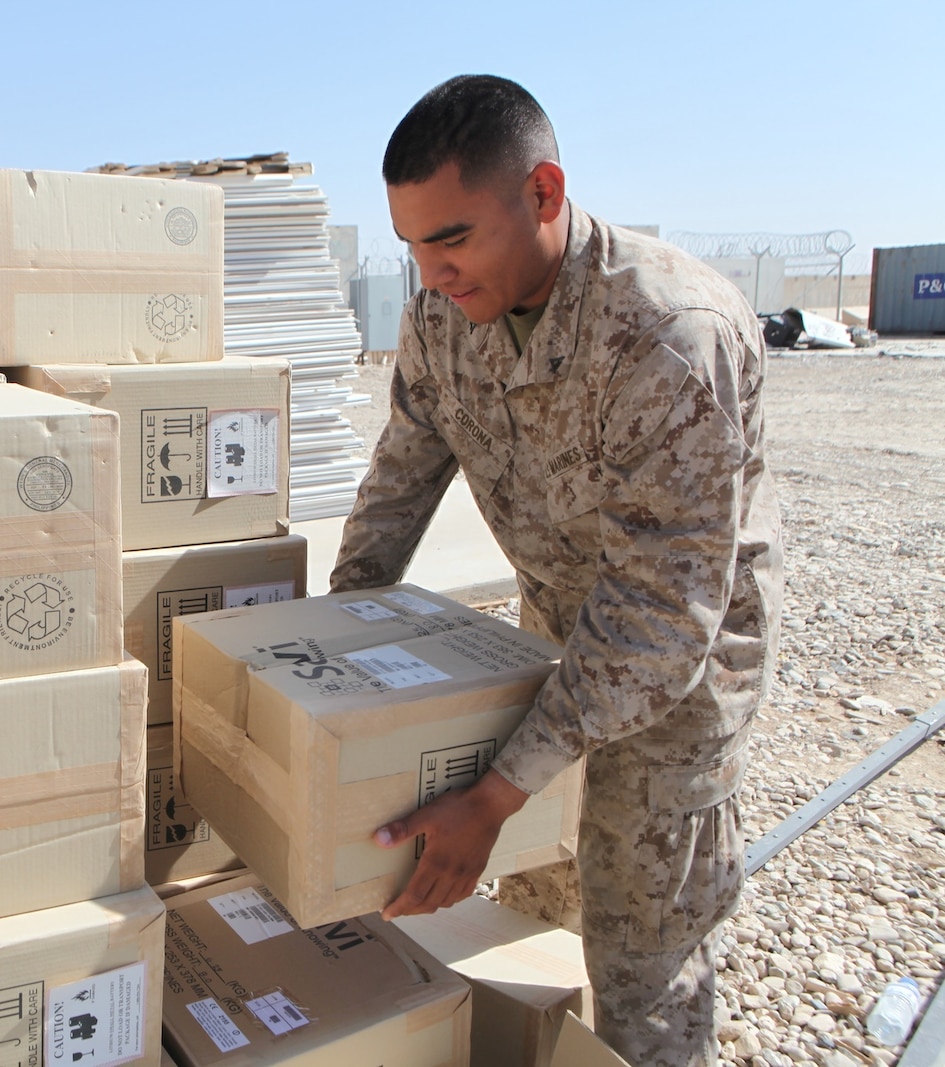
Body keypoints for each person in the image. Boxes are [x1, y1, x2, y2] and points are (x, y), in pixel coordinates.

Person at [332, 75, 782, 1067]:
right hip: (549, 637)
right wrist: (319, 662)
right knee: (536, 916)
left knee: (641, 970)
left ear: (541, 193)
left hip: (678, 678)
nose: (429, 270)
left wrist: (492, 795)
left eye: (449, 237)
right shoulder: (445, 314)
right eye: (409, 244)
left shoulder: (668, 333)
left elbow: (661, 618)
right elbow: (396, 486)